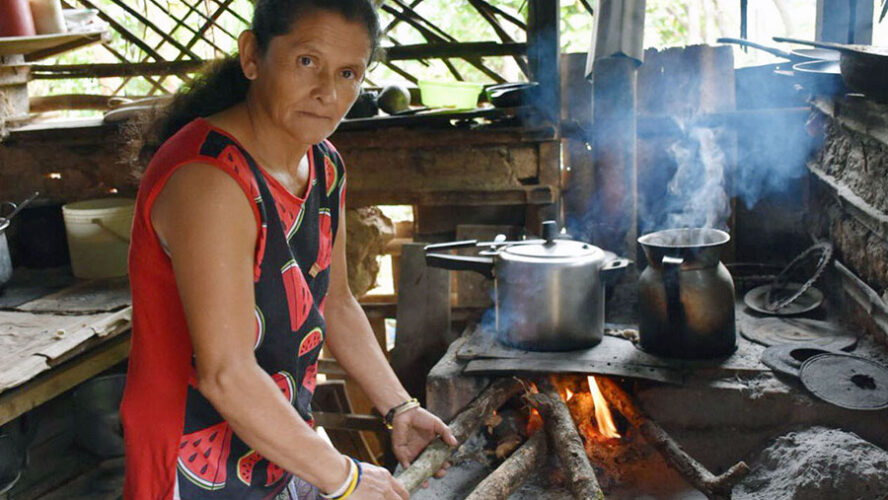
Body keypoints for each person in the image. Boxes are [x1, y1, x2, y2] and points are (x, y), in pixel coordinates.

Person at [120, 1, 457, 498]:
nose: (328, 92)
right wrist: (343, 477)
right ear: (253, 55)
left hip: (274, 439)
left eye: (349, 73)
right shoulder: (209, 180)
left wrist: (400, 407)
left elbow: (336, 303)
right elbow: (227, 373)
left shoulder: (324, 164)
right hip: (187, 461)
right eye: (307, 62)